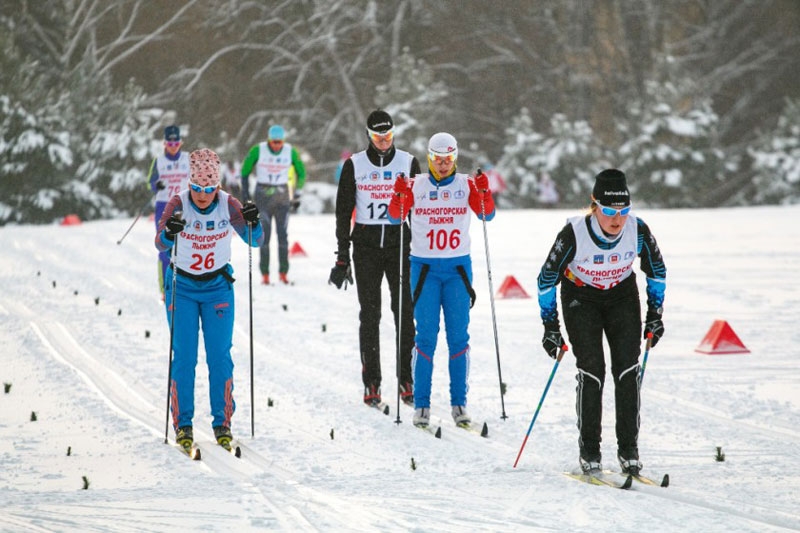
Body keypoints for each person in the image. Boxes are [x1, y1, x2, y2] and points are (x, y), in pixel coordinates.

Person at [535, 168, 666, 475]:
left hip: (621, 296)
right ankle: (590, 449)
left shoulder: (638, 229)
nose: (616, 219)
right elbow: (545, 280)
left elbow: (657, 271)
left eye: (623, 210)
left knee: (628, 368)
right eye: (608, 211)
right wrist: (550, 326)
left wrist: (655, 315)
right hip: (582, 299)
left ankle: (628, 449)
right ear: (594, 205)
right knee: (592, 369)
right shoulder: (574, 232)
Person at [155, 148, 264, 452]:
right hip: (183, 288)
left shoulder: (228, 204)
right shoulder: (179, 203)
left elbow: (256, 240)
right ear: (189, 183)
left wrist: (255, 222)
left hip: (217, 287)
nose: (203, 196)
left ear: (217, 185)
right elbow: (158, 243)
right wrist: (169, 232)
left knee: (220, 357)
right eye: (197, 188)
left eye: (209, 189)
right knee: (185, 357)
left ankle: (223, 423)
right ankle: (184, 424)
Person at [388, 132, 495, 428]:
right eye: (438, 159)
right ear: (429, 158)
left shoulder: (466, 184)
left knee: (459, 338)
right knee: (425, 338)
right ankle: (421, 404)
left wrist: (484, 193)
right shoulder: (415, 184)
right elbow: (395, 217)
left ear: (455, 157)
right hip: (424, 270)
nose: (444, 165)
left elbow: (488, 215)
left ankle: (459, 403)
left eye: (449, 159)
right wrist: (398, 195)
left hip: (457, 269)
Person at [329, 110, 419, 408]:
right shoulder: (355, 164)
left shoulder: (408, 162)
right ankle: (372, 382)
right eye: (379, 137)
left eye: (389, 136)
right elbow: (343, 212)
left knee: (404, 312)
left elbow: (420, 211)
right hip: (366, 246)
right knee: (370, 315)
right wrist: (343, 256)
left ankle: (407, 378)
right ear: (369, 135)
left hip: (399, 245)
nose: (384, 142)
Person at [240, 124, 306, 285]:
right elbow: (244, 171)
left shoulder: (290, 151)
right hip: (263, 196)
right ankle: (265, 274)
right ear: (269, 140)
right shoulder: (258, 150)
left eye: (279, 142)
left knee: (283, 235)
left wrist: (297, 194)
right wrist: (245, 195)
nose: (277, 146)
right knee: (265, 236)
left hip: (282, 196)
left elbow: (301, 172)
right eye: (274, 142)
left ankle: (283, 272)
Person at [147, 125, 190, 297]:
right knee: (165, 248)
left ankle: (184, 287)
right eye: (170, 143)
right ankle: (166, 289)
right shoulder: (158, 161)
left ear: (181, 142)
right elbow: (149, 183)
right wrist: (155, 185)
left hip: (184, 204)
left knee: (186, 246)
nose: (173, 146)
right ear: (164, 143)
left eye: (176, 142)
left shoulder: (188, 159)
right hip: (164, 206)